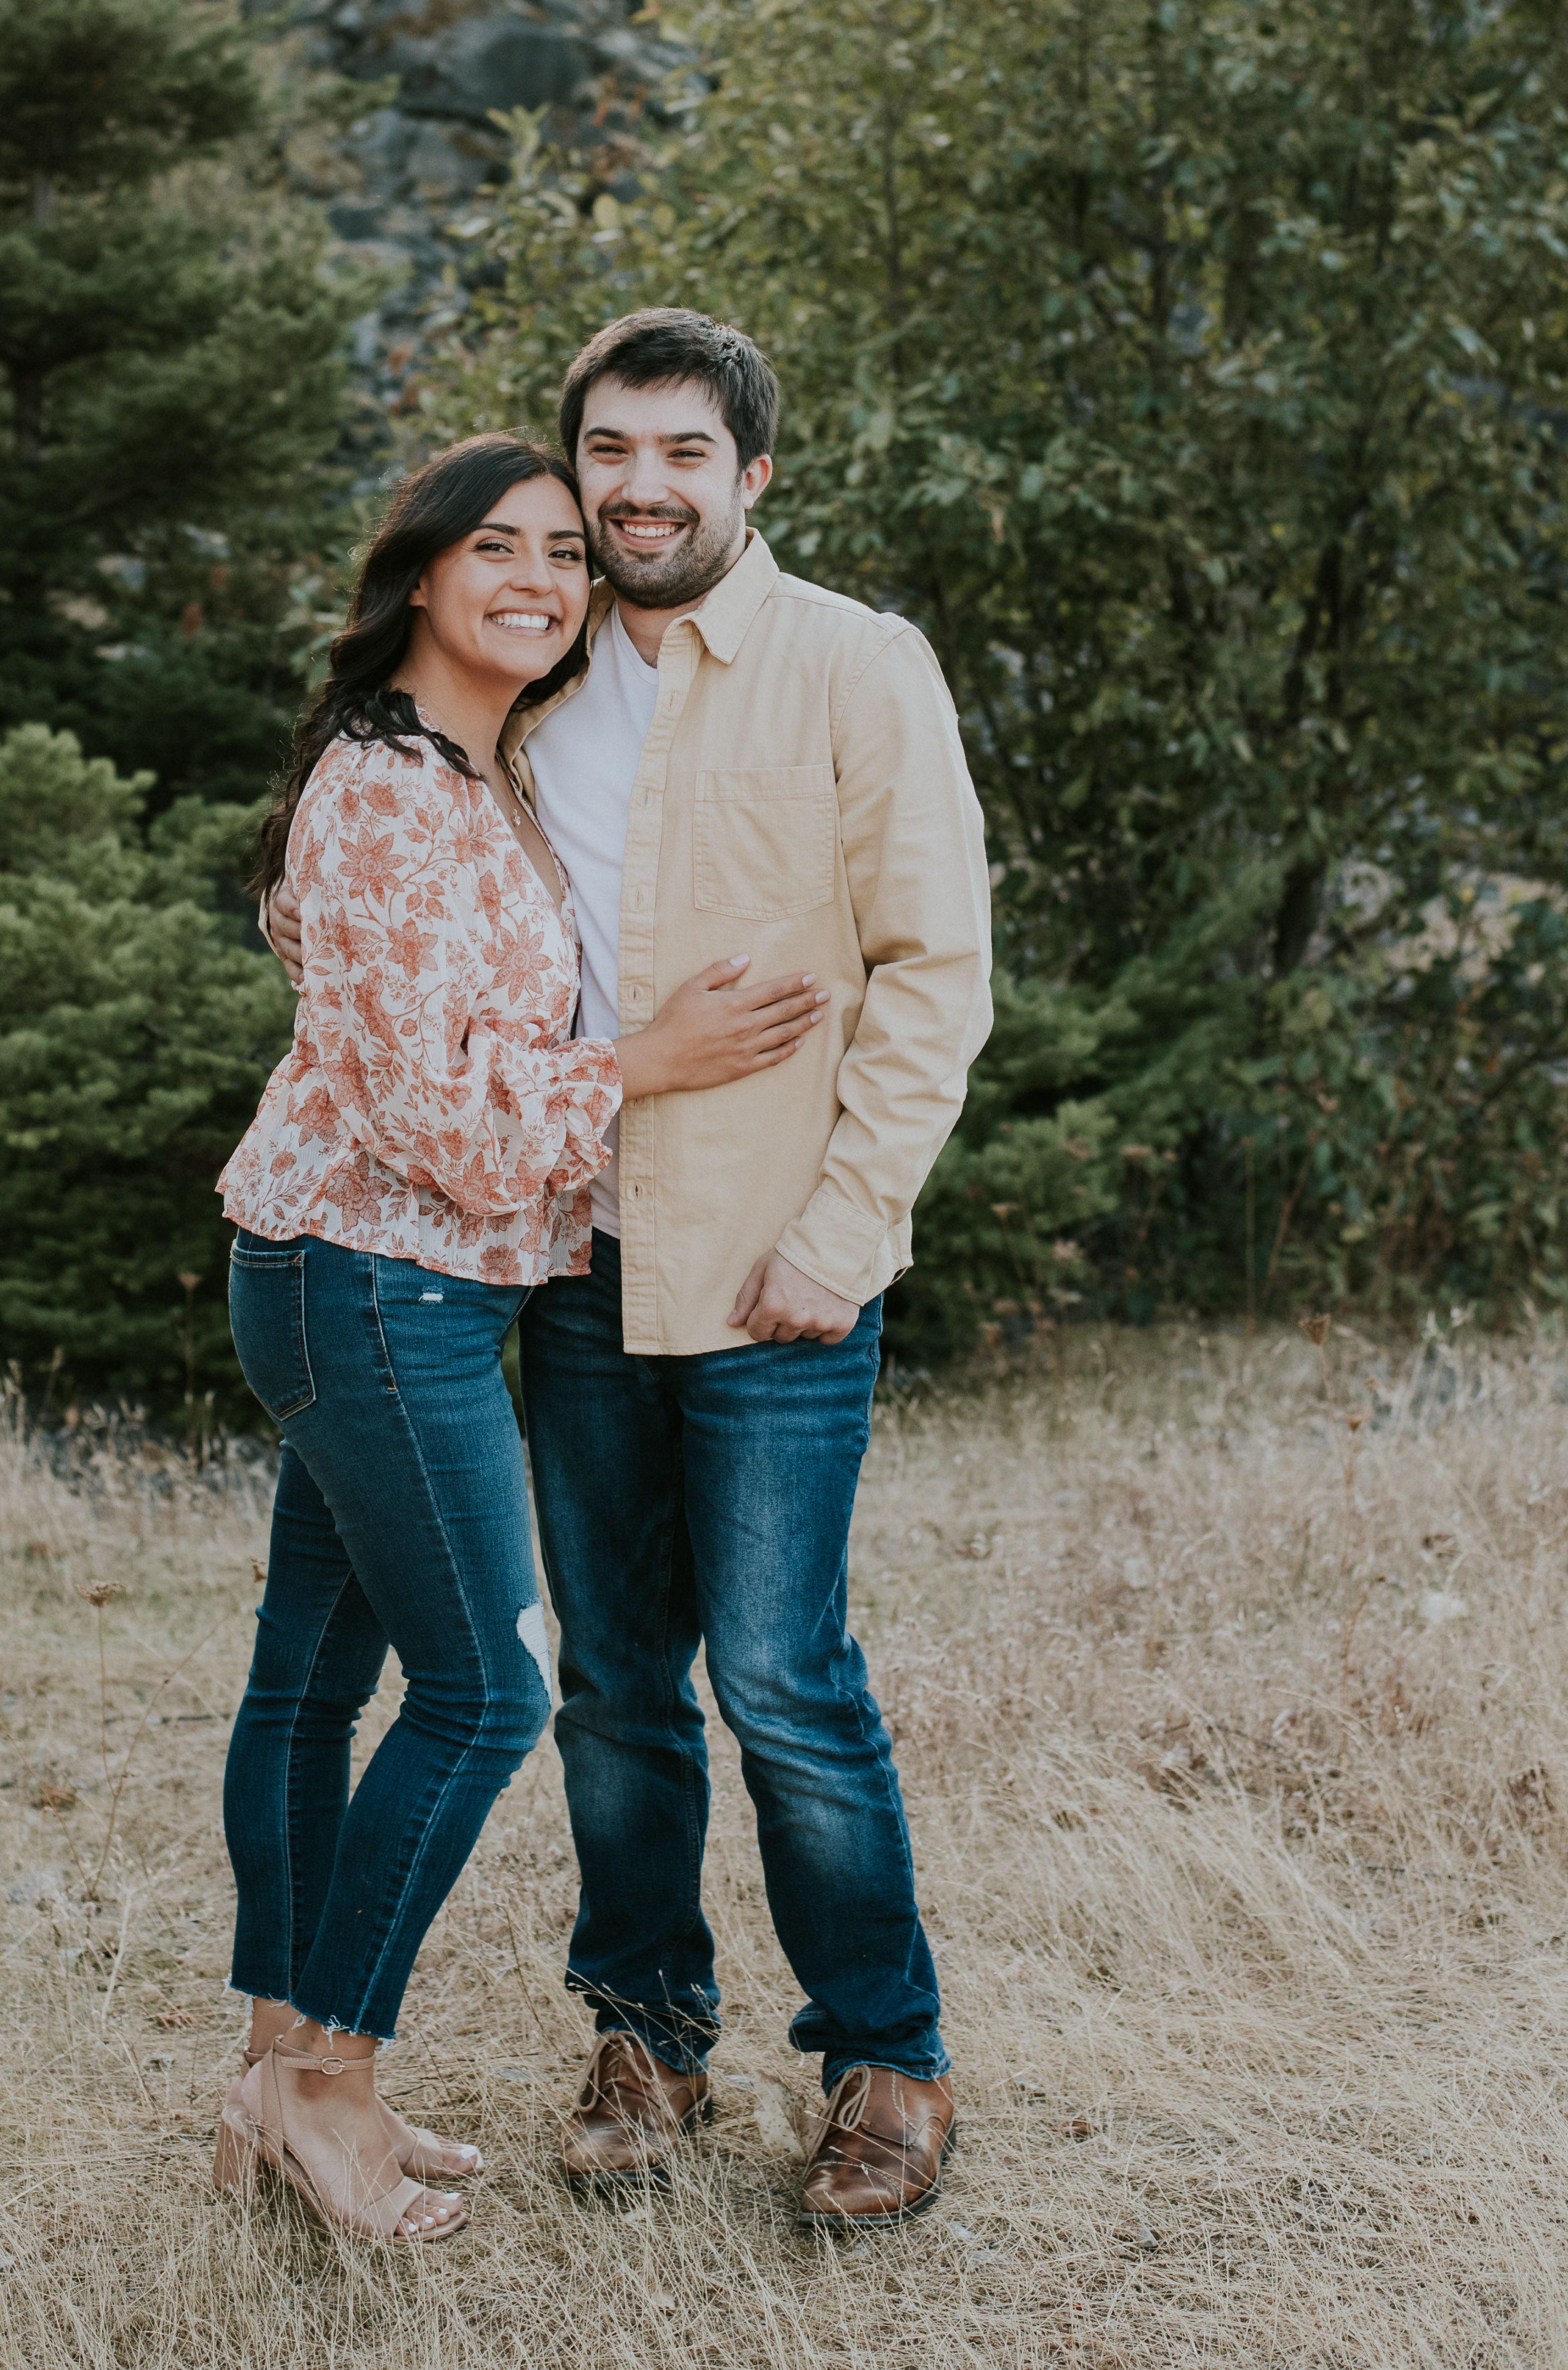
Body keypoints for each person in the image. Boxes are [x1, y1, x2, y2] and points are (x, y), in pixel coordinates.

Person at [267, 310, 994, 2233]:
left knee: (784, 1677)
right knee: (613, 1689)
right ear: (575, 466)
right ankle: (648, 2037)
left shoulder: (854, 665)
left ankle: (887, 2061)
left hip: (777, 1270)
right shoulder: (545, 664)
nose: (641, 489)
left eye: (684, 453)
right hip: (573, 1262)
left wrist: (844, 1234)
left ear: (754, 474)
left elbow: (936, 976)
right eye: (610, 452)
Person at [210, 431, 830, 2247]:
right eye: (500, 546)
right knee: (484, 1691)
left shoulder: (479, 775)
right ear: (421, 572)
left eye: (567, 554)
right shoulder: (388, 793)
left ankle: (275, 2081)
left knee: (312, 1689)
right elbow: (439, 1121)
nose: (544, 581)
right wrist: (651, 1064)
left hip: (385, 1282)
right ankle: (326, 2085)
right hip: (366, 1279)